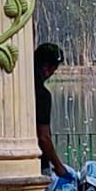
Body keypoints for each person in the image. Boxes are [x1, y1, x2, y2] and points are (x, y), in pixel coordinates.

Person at [34, 44, 71, 180]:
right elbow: (43, 137)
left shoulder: (25, 88)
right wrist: (59, 167)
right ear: (47, 68)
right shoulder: (42, 95)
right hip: (37, 163)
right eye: (54, 70)